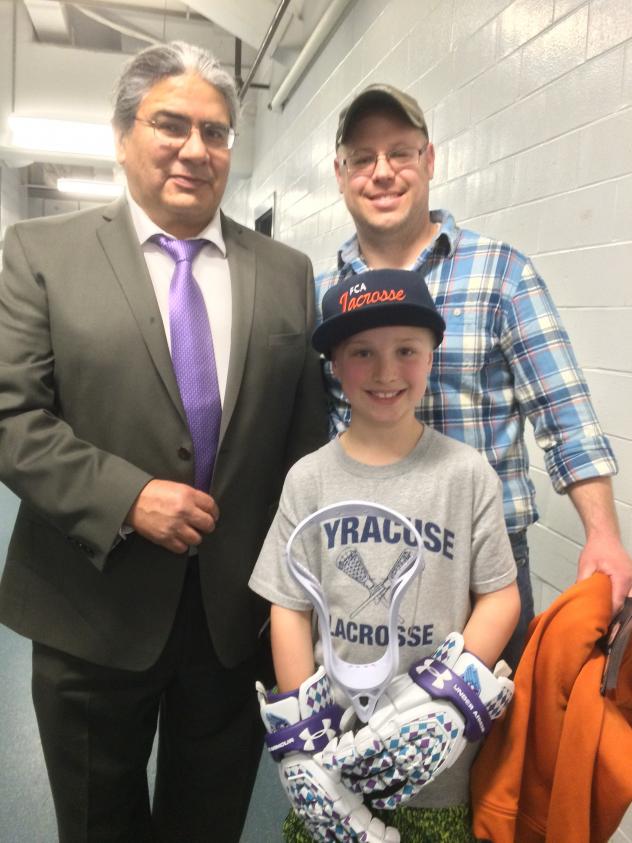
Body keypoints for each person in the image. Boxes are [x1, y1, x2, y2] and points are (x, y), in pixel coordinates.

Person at [0, 41, 326, 843]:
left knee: (207, 820)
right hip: (91, 603)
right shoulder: (42, 255)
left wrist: (298, 595)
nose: (195, 149)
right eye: (170, 125)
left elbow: (304, 438)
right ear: (123, 136)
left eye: (215, 133)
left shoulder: (286, 271)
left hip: (234, 617)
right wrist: (127, 495)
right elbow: (12, 414)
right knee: (97, 821)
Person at [316, 84, 632, 669]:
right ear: (341, 173)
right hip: (362, 550)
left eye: (400, 153)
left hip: (483, 567)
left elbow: (566, 417)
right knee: (362, 735)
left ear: (429, 161)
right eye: (363, 158)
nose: (381, 172)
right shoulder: (320, 296)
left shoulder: (501, 273)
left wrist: (604, 535)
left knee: (491, 749)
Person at [249, 268, 520, 843]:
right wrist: (306, 747)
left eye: (406, 350)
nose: (386, 371)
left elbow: (499, 593)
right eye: (362, 352)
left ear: (432, 355)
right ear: (336, 364)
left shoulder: (466, 475)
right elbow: (289, 606)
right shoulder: (309, 479)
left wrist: (447, 700)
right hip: (335, 762)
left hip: (439, 773)